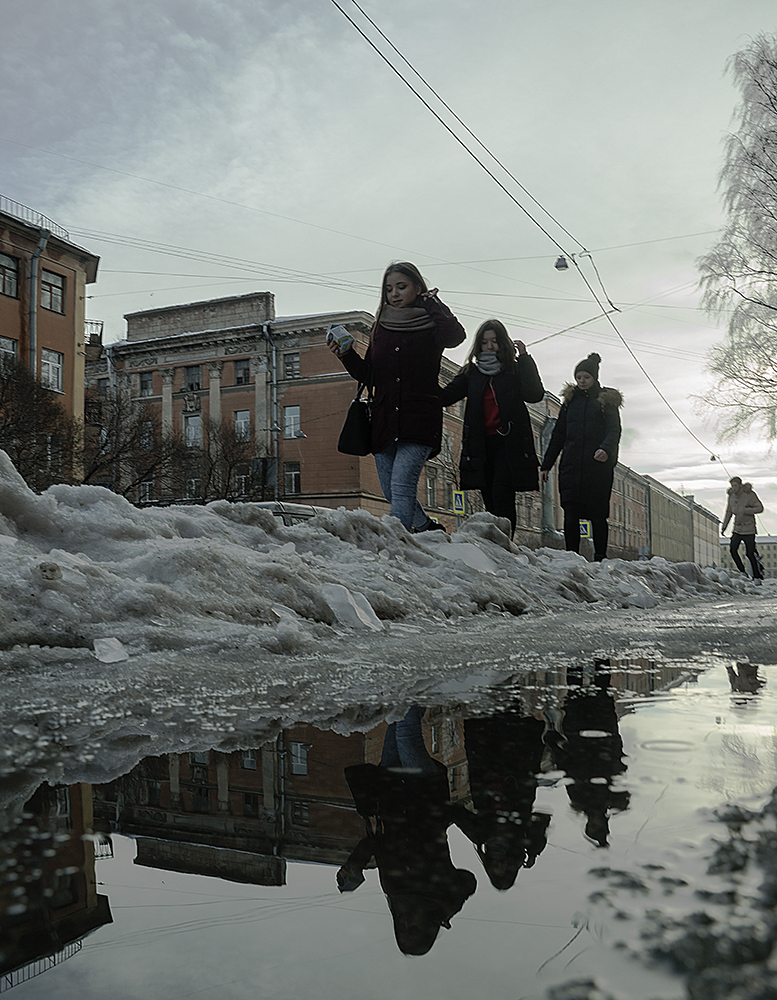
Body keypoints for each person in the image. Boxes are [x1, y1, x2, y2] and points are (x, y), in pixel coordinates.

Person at [329, 262, 466, 532]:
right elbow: (370, 376)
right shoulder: (381, 327)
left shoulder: (431, 324)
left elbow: (455, 336)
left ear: (417, 288)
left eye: (401, 287)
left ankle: (398, 544)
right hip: (384, 420)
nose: (394, 293)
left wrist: (433, 303)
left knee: (402, 486)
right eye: (389, 288)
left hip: (419, 418)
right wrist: (345, 354)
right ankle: (426, 527)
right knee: (392, 491)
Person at [439, 319, 545, 537]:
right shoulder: (472, 373)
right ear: (478, 345)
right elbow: (445, 396)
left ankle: (505, 543)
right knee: (489, 497)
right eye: (485, 342)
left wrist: (525, 359)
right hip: (481, 446)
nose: (489, 346)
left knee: (502, 494)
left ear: (503, 343)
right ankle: (496, 544)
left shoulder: (513, 370)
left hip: (508, 444)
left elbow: (534, 394)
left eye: (494, 341)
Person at [540, 352, 622, 561]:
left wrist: (606, 449)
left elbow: (614, 430)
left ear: (594, 378)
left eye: (586, 377)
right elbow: (558, 434)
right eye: (578, 377)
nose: (582, 381)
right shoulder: (569, 403)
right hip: (571, 466)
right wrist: (546, 464)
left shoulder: (605, 402)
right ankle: (571, 557)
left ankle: (600, 557)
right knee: (570, 511)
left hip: (597, 467)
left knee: (597, 514)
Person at [721, 476, 764, 581]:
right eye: (732, 486)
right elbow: (728, 512)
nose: (734, 488)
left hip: (749, 528)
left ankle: (757, 576)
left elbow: (760, 508)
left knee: (750, 553)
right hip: (737, 528)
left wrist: (746, 510)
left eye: (735, 486)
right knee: (733, 549)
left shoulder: (749, 495)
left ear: (740, 485)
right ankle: (742, 571)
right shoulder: (731, 496)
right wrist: (724, 527)